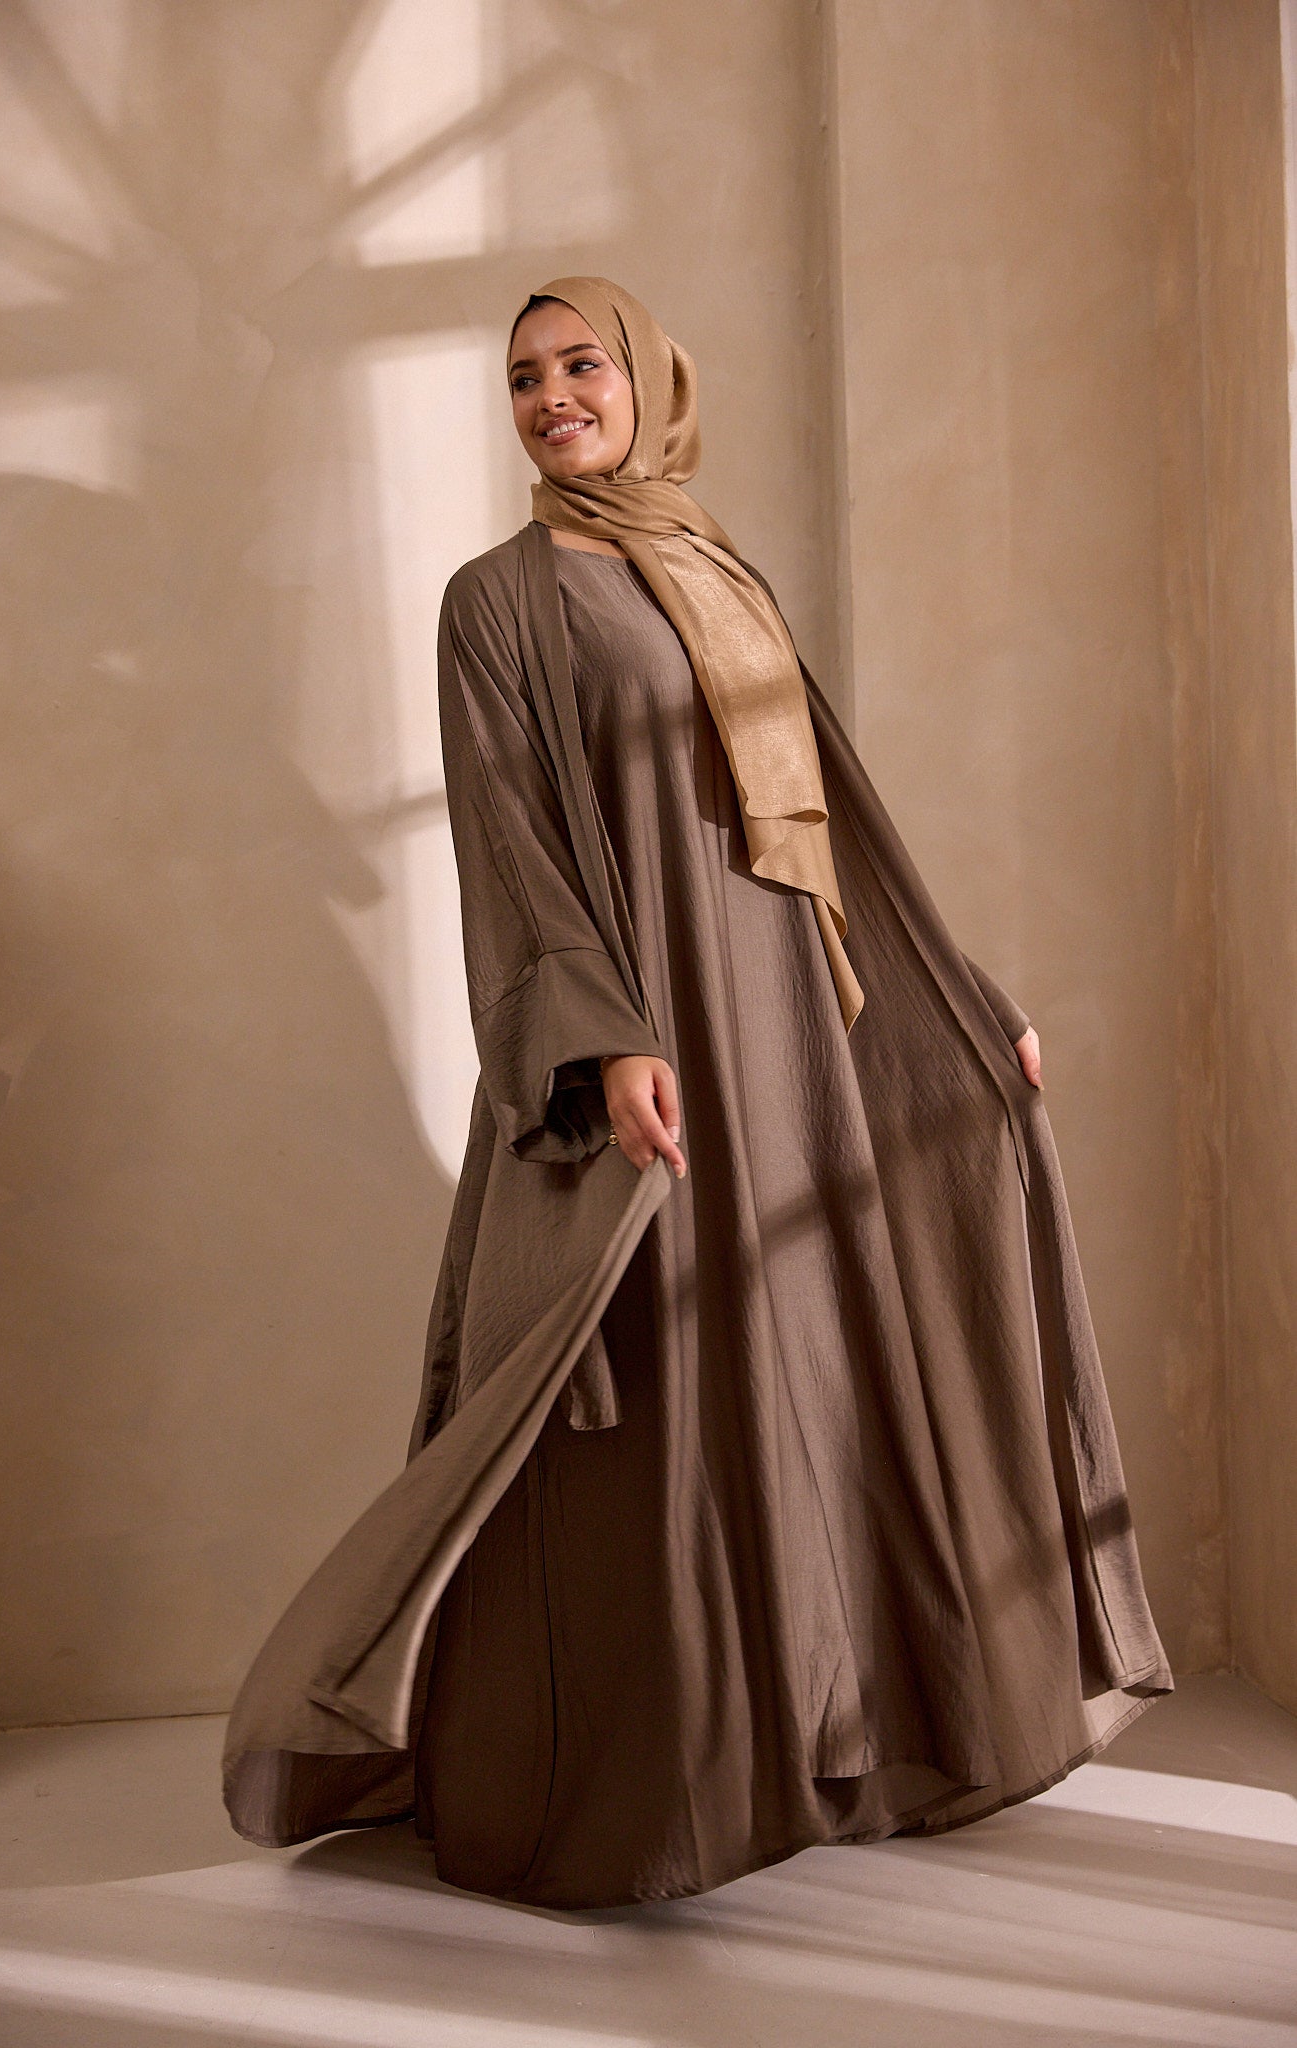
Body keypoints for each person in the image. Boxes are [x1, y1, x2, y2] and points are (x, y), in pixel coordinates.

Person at [222, 276, 1172, 1910]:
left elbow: (831, 820)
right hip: (656, 1028)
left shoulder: (713, 567)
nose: (551, 399)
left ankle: (835, 1734)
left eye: (580, 364)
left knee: (805, 1353)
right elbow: (508, 833)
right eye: (523, 379)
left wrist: (961, 1003)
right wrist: (601, 1037)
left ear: (646, 377)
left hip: (792, 1027)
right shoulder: (497, 599)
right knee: (651, 1374)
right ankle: (663, 1773)